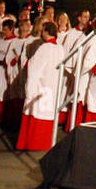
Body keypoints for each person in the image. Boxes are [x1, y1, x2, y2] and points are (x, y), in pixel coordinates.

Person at [16, 22, 66, 151]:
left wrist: (26, 63)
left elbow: (34, 67)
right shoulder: (60, 48)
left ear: (46, 32)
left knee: (37, 112)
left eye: (42, 31)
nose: (41, 33)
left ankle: (32, 143)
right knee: (47, 113)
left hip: (41, 86)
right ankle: (44, 143)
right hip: (53, 87)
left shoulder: (45, 48)